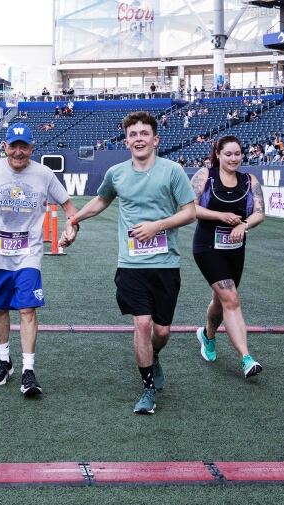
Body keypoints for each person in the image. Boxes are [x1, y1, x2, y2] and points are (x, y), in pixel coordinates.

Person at [59, 111, 196, 415]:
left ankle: (155, 356)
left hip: (165, 264)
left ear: (155, 139)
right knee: (142, 324)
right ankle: (147, 388)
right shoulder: (116, 173)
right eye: (132, 135)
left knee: (161, 331)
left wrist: (156, 226)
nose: (138, 139)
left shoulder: (172, 171)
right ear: (127, 141)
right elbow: (102, 200)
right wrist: (75, 218)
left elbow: (190, 212)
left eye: (144, 134)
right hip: (131, 264)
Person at [0, 123, 76, 397]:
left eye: (24, 146)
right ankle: (4, 361)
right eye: (14, 146)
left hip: (28, 253)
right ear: (5, 146)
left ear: (32, 148)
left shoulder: (44, 174)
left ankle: (28, 370)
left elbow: (68, 205)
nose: (19, 152)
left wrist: (71, 225)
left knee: (28, 308)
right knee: (0, 308)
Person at [189, 135, 265, 379]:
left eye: (238, 154)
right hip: (207, 247)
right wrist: (220, 216)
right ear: (218, 154)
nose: (234, 158)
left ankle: (207, 336)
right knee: (231, 298)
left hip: (235, 248)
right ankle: (246, 358)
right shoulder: (205, 176)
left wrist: (245, 225)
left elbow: (259, 213)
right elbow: (190, 208)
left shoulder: (249, 181)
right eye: (229, 154)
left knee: (222, 301)